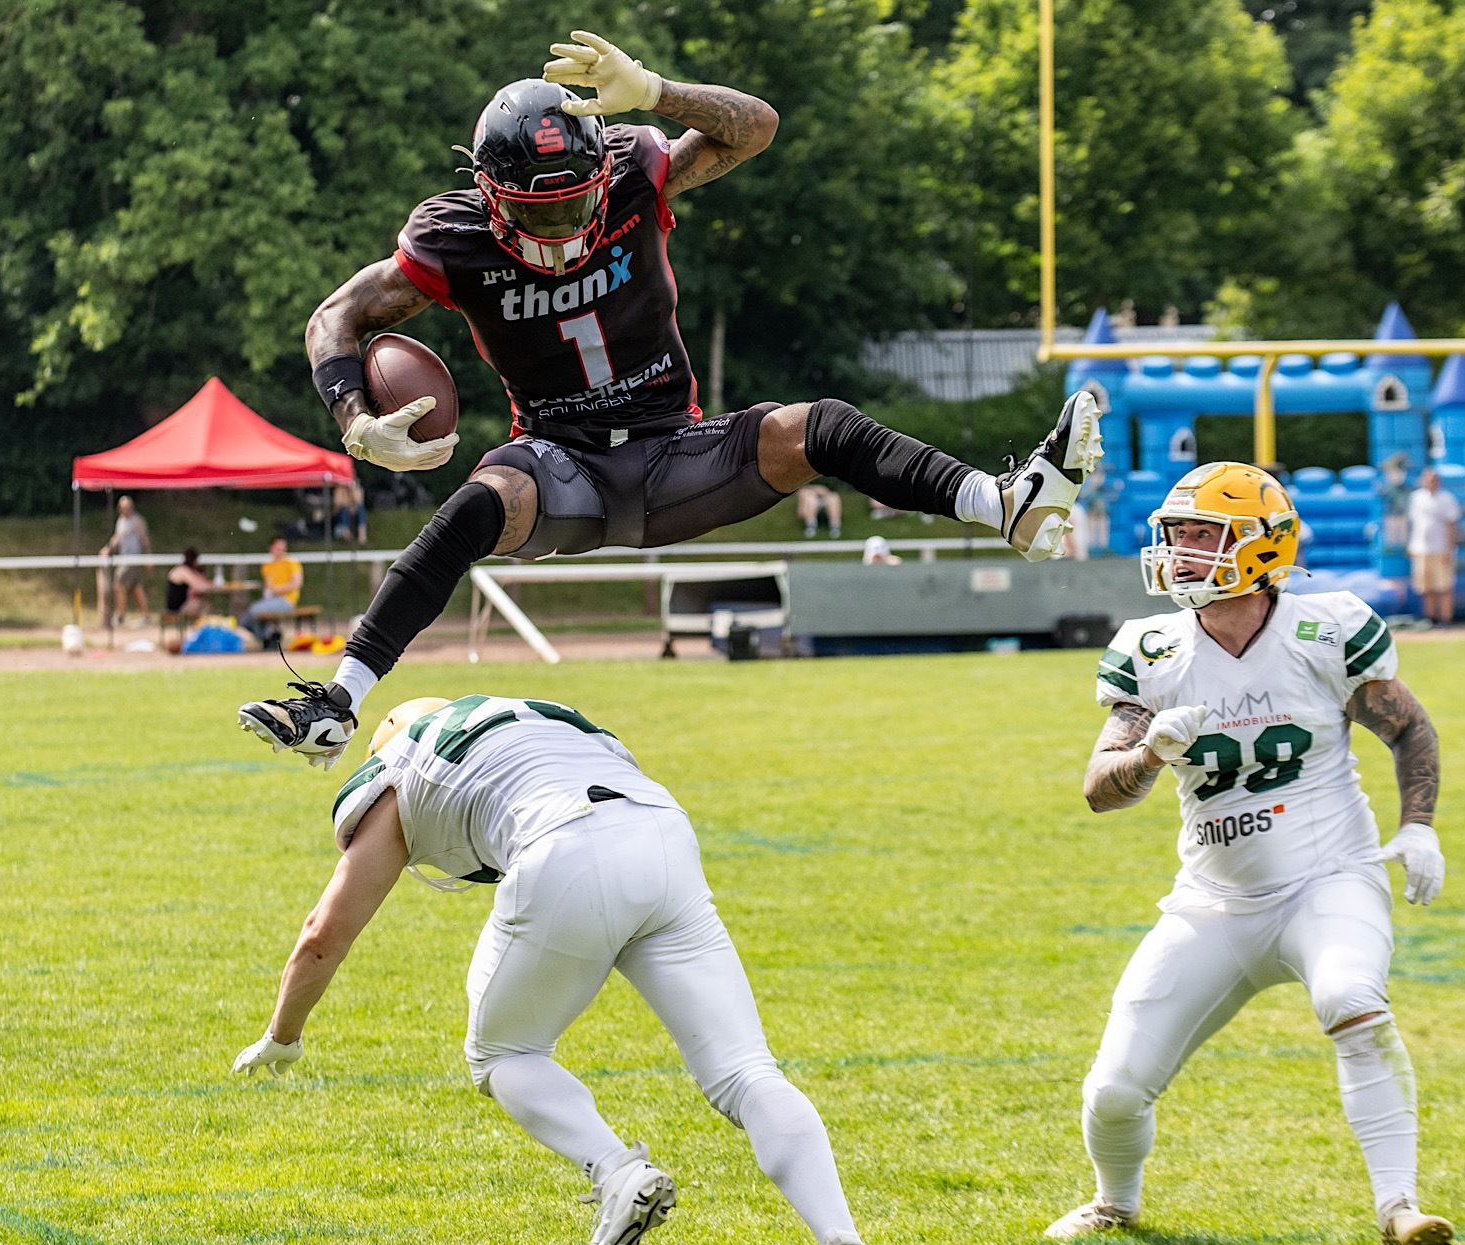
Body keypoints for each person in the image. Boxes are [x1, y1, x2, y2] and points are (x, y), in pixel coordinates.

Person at [237, 31, 1102, 766]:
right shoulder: (453, 236)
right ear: (490, 195)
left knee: (816, 428)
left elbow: (755, 126)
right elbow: (337, 313)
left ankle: (1009, 506)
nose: (564, 229)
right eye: (539, 216)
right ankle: (338, 700)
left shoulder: (631, 173)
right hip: (560, 464)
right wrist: (354, 421)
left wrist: (655, 90)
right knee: (478, 505)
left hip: (671, 453)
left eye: (575, 202)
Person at [232, 694, 931, 1245]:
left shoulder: (405, 761)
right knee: (747, 1070)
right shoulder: (546, 723)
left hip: (564, 844)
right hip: (662, 832)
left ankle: (616, 1171)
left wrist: (281, 1036)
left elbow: (323, 932)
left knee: (503, 1053)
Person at [1046, 461, 1454, 1245]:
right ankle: (1114, 1203)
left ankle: (1399, 1208)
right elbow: (1098, 789)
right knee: (1114, 1090)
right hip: (1213, 903)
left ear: (1263, 547)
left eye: (1204, 534)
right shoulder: (1152, 648)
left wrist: (1419, 828)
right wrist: (1150, 755)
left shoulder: (1325, 628)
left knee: (1350, 997)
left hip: (1327, 877)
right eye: (1176, 533)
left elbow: (1409, 728)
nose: (1183, 551)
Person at [1406, 467, 1462, 626]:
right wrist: (1411, 545)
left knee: (1444, 586)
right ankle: (1430, 618)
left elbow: (1452, 524)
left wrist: (1449, 548)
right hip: (1421, 549)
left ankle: (1446, 618)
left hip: (1440, 549)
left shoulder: (1446, 499)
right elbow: (1414, 524)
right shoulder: (1416, 498)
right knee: (1425, 587)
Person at [103, 496, 152, 627]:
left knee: (119, 583)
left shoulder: (137, 520)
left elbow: (144, 539)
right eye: (123, 507)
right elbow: (117, 537)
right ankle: (146, 617)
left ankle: (120, 617)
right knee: (136, 587)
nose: (125, 509)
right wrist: (108, 549)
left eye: (127, 507)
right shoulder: (120, 521)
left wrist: (148, 557)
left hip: (133, 558)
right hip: (124, 557)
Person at [241, 538, 304, 639]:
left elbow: (296, 584)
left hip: (286, 600)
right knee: (244, 620)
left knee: (255, 610)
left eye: (283, 549)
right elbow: (269, 586)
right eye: (278, 548)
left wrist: (276, 590)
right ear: (271, 548)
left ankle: (267, 638)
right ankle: (267, 637)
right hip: (271, 599)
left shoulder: (291, 562)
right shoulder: (267, 565)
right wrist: (273, 590)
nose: (281, 551)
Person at [165, 548, 214, 619]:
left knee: (204, 604)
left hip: (180, 604)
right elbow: (197, 585)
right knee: (203, 605)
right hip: (177, 607)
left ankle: (203, 625)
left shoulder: (184, 569)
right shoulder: (183, 570)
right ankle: (203, 627)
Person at [332, 479, 368, 545]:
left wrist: (353, 491)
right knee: (343, 509)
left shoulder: (357, 489)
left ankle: (362, 534)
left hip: (353, 508)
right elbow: (337, 503)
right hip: (341, 510)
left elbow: (359, 501)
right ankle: (346, 534)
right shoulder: (339, 489)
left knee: (360, 509)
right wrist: (348, 506)